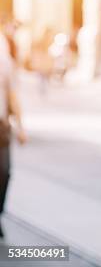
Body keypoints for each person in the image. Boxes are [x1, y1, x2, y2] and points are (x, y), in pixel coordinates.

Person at [0, 32, 27, 238]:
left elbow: (11, 90)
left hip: (1, 125)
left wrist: (20, 125)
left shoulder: (2, 47)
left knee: (4, 172)